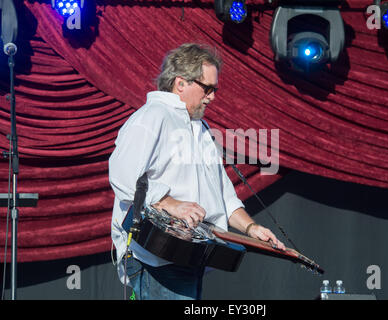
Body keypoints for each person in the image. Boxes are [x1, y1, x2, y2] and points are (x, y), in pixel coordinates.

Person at [109, 43, 285, 300]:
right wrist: (170, 203)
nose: (212, 96)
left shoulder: (200, 129)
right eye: (207, 88)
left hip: (187, 257)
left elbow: (222, 194)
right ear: (180, 83)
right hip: (156, 259)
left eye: (215, 89)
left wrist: (250, 228)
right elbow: (122, 175)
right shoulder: (152, 116)